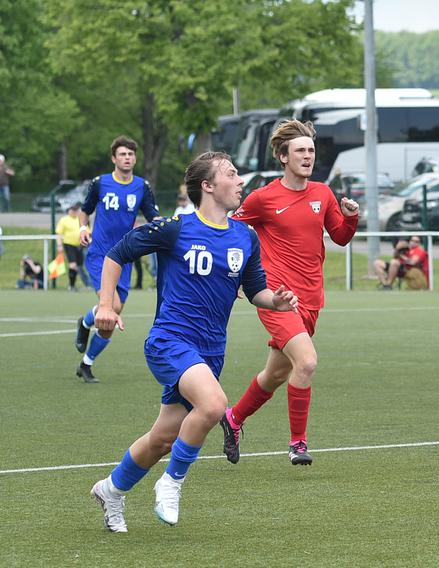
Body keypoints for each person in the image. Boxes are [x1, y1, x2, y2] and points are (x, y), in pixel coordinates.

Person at [89, 152, 298, 533]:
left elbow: (255, 291)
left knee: (163, 438)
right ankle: (172, 482)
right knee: (216, 404)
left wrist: (276, 300)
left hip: (210, 352)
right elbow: (116, 254)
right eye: (231, 174)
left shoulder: (245, 236)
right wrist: (106, 303)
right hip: (169, 341)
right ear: (207, 186)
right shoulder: (174, 228)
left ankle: (111, 490)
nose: (239, 181)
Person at [222, 119, 359, 466]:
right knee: (308, 362)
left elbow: (340, 236)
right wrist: (239, 275)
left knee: (276, 374)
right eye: (300, 150)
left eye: (311, 150)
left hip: (312, 300)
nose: (308, 156)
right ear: (283, 157)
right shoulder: (264, 198)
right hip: (277, 297)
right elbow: (230, 231)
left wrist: (351, 217)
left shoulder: (323, 193)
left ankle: (232, 419)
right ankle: (298, 443)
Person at [74, 136, 159, 383]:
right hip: (100, 254)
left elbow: (152, 215)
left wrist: (166, 229)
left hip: (125, 256)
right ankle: (87, 325)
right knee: (110, 308)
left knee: (112, 313)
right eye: (122, 154)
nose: (127, 158)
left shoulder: (142, 186)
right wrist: (82, 229)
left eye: (131, 154)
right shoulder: (100, 183)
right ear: (114, 158)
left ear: (135, 158)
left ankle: (86, 359)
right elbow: (85, 210)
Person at [55, 203, 87, 290]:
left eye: (76, 210)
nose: (74, 211)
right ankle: (71, 285)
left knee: (79, 266)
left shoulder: (80, 219)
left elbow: (87, 231)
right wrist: (59, 245)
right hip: (69, 245)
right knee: (72, 265)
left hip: (80, 246)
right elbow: (58, 233)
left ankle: (78, 284)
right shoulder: (64, 220)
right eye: (73, 210)